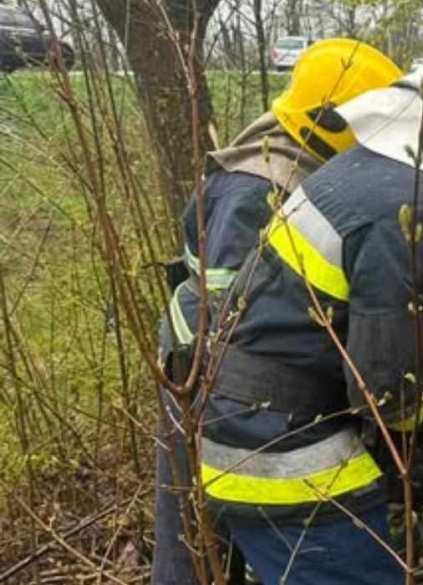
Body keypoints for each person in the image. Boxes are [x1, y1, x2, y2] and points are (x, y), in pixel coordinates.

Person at [200, 40, 423, 585]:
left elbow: (396, 309)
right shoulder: (407, 212)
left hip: (250, 431)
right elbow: (393, 395)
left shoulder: (372, 176)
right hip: (288, 462)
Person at [152, 39, 403, 585]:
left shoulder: (302, 165)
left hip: (225, 378)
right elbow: (233, 318)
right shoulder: (257, 186)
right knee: (191, 543)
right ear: (335, 122)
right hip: (198, 375)